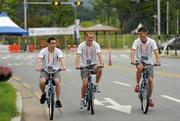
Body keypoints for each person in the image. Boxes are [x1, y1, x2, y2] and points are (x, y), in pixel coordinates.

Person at [130, 26, 160, 107]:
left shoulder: (152, 41)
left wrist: (157, 61)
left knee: (150, 80)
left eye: (141, 34)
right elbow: (133, 51)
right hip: (139, 61)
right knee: (139, 67)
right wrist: (132, 60)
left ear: (146, 33)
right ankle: (137, 85)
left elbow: (156, 51)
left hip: (149, 62)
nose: (140, 36)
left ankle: (149, 98)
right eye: (139, 34)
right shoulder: (137, 41)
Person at [75, 32, 104, 109]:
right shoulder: (81, 45)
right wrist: (77, 65)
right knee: (85, 83)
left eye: (92, 38)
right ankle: (82, 99)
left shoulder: (96, 44)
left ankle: (96, 85)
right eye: (89, 38)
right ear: (86, 38)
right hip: (84, 66)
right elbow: (78, 55)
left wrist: (102, 63)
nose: (91, 39)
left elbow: (99, 54)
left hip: (93, 65)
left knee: (100, 69)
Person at [35, 37, 66, 108]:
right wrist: (37, 67)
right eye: (52, 43)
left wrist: (64, 66)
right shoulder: (43, 51)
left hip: (55, 70)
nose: (54, 45)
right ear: (48, 43)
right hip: (45, 70)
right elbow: (39, 59)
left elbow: (61, 59)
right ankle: (43, 93)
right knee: (42, 81)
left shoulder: (58, 51)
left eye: (55, 43)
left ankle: (58, 100)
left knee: (57, 81)